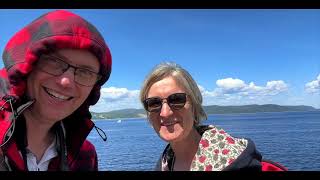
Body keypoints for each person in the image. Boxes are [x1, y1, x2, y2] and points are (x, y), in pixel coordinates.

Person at [0, 10, 112, 171]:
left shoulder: (85, 155)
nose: (66, 82)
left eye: (85, 72)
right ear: (26, 67)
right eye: (54, 62)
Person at [139, 62, 287, 171]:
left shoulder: (235, 162)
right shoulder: (166, 162)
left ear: (194, 105)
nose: (165, 112)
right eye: (154, 103)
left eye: (177, 100)